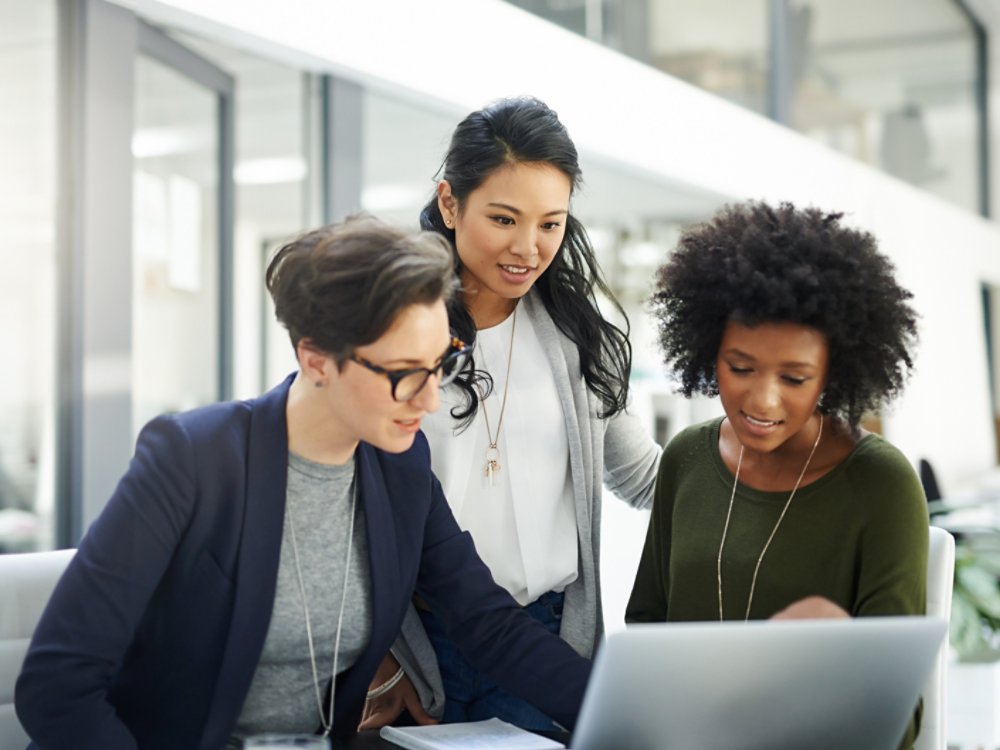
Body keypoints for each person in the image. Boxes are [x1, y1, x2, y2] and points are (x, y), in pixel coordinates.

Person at [14, 216, 591, 750]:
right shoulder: (192, 458)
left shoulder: (400, 465)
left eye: (442, 364)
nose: (432, 398)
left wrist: (619, 705)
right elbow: (57, 686)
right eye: (405, 373)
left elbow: (485, 622)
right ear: (315, 360)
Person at [360, 97, 661, 731]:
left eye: (551, 224)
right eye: (504, 218)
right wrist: (383, 656)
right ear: (449, 203)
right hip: (419, 647)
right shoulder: (390, 330)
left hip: (547, 641)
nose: (528, 247)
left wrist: (768, 461)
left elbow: (643, 477)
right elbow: (346, 502)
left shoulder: (579, 337)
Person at [625, 200, 928, 747]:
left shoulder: (881, 485)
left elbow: (894, 712)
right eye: (740, 368)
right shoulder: (685, 460)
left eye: (794, 377)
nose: (761, 400)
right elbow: (646, 634)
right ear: (707, 350)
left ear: (833, 375)